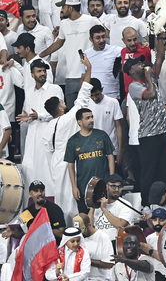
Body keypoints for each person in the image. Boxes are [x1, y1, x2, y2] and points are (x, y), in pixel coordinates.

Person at [44, 54, 93, 222]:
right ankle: (76, 226)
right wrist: (89, 69)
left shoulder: (49, 126)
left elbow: (48, 150)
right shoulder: (68, 118)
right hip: (71, 160)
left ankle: (63, 226)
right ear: (59, 107)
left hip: (56, 162)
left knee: (61, 198)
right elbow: (84, 95)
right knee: (75, 198)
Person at [126, 36, 166, 206]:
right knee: (148, 173)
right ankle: (146, 205)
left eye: (141, 63)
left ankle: (162, 203)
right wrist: (148, 75)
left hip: (163, 132)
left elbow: (160, 57)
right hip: (149, 135)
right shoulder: (133, 86)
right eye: (137, 64)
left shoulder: (150, 76)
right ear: (131, 71)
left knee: (163, 171)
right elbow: (151, 94)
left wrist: (160, 35)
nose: (141, 65)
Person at [39, 0, 101, 107]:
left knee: (89, 108)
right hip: (70, 76)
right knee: (72, 112)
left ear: (70, 8)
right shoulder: (64, 23)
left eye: (64, 6)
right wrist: (41, 54)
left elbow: (105, 34)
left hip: (88, 74)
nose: (62, 9)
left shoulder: (91, 21)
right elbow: (58, 43)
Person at [18, 59, 64, 195]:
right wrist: (27, 118)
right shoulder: (29, 92)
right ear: (32, 75)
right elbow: (27, 113)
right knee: (29, 169)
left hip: (49, 136)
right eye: (39, 71)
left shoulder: (55, 89)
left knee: (49, 172)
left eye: (44, 70)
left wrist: (39, 115)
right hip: (32, 136)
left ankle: (52, 205)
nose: (43, 73)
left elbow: (59, 113)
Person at [65, 107, 116, 214]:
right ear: (79, 122)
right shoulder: (73, 141)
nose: (91, 120)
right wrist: (74, 187)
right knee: (86, 219)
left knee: (106, 216)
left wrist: (111, 179)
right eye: (87, 118)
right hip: (83, 187)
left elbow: (110, 156)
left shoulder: (102, 135)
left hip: (104, 185)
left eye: (92, 117)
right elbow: (70, 165)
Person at [1, 180, 66, 243]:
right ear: (30, 194)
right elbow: (22, 233)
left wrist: (39, 228)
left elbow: (60, 233)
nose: (40, 193)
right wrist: (12, 232)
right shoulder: (27, 212)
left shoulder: (55, 209)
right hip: (33, 247)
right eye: (36, 191)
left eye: (42, 190)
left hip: (51, 247)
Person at [90, 174, 136, 243]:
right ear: (107, 187)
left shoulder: (125, 205)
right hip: (98, 243)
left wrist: (104, 209)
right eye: (113, 186)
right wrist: (93, 205)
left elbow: (120, 225)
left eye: (119, 187)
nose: (117, 190)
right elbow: (89, 227)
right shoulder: (99, 205)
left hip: (117, 244)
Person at [88, 78, 124, 159]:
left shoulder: (113, 102)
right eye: (92, 96)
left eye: (97, 94)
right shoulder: (86, 104)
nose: (94, 98)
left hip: (112, 148)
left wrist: (120, 150)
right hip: (93, 149)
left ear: (102, 89)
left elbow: (118, 126)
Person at [139, 208, 166, 281]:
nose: (158, 223)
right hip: (152, 276)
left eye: (161, 220)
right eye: (155, 220)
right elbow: (143, 259)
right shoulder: (149, 238)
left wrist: (150, 251)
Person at [72, 213, 114, 281]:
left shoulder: (102, 237)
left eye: (82, 231)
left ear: (89, 225)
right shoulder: (77, 239)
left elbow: (109, 264)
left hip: (101, 278)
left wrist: (86, 260)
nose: (81, 234)